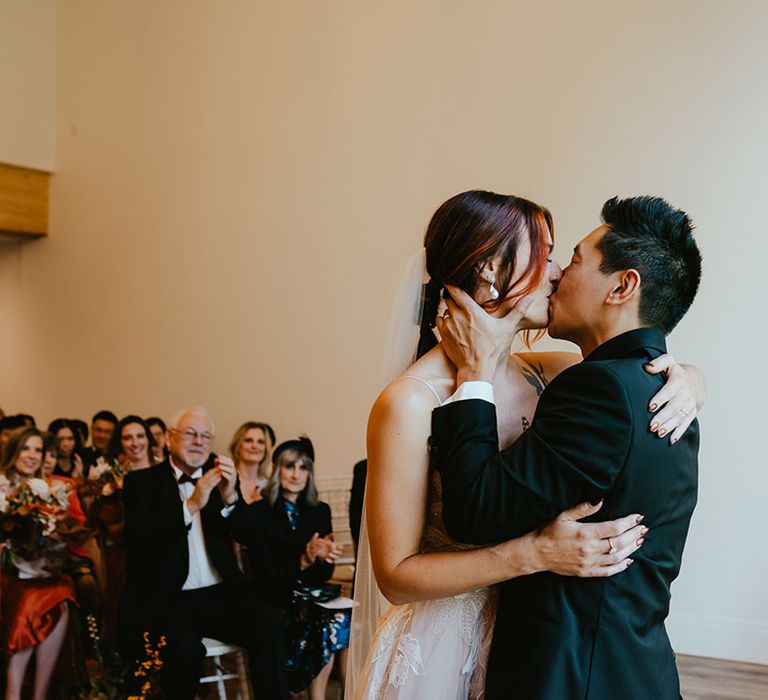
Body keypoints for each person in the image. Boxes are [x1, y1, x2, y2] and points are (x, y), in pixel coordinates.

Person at [349, 191, 706, 699]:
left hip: (541, 649)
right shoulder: (409, 402)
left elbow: (632, 379)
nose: (558, 272)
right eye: (547, 255)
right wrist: (533, 553)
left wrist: (691, 380)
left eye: (567, 257)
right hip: (446, 647)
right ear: (492, 268)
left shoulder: (553, 375)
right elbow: (396, 576)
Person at [119, 406, 288, 699]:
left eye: (206, 437)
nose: (199, 442)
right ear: (170, 438)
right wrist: (190, 505)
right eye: (191, 434)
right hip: (170, 598)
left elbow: (251, 537)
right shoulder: (141, 483)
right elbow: (140, 543)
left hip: (220, 594)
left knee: (270, 623)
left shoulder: (218, 477)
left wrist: (231, 497)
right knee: (184, 651)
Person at [231, 437, 349, 699]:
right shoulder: (260, 513)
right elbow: (266, 576)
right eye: (289, 467)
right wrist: (305, 559)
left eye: (303, 468)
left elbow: (323, 576)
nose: (296, 474)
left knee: (344, 618)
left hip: (312, 595)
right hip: (276, 597)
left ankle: (348, 694)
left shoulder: (319, 511)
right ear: (277, 471)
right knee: (331, 621)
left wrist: (323, 558)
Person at [0, 428, 77, 700]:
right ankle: (13, 692)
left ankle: (40, 693)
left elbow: (57, 542)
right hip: (6, 574)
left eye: (38, 450)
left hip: (38, 571)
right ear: (14, 452)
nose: (32, 456)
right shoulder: (1, 485)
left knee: (62, 593)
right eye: (26, 449)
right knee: (29, 601)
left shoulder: (45, 489)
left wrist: (53, 535)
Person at [90, 415, 156, 647]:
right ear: (120, 443)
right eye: (128, 437)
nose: (135, 442)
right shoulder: (111, 482)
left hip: (163, 554)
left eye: (140, 436)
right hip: (126, 557)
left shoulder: (165, 475)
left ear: (148, 440)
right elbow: (115, 533)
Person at [230, 421, 276, 503]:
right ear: (238, 446)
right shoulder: (226, 480)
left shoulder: (271, 487)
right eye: (248, 440)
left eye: (261, 442)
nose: (255, 446)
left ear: (266, 449)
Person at [81, 410, 118, 475]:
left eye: (108, 432)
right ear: (91, 429)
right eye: (98, 430)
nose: (102, 436)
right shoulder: (80, 457)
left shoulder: (120, 458)